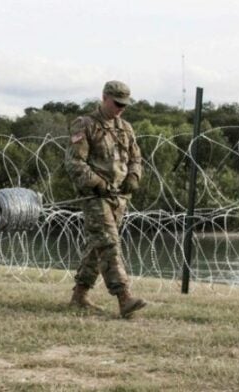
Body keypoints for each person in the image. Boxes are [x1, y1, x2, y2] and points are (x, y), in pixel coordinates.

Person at [64, 80, 147, 318]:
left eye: (124, 105)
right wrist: (98, 183)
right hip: (95, 197)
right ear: (104, 98)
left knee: (97, 246)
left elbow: (136, 158)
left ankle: (79, 295)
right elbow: (74, 162)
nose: (120, 108)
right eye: (117, 103)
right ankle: (124, 297)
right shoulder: (86, 125)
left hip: (119, 198)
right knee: (109, 243)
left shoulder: (125, 128)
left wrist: (133, 176)